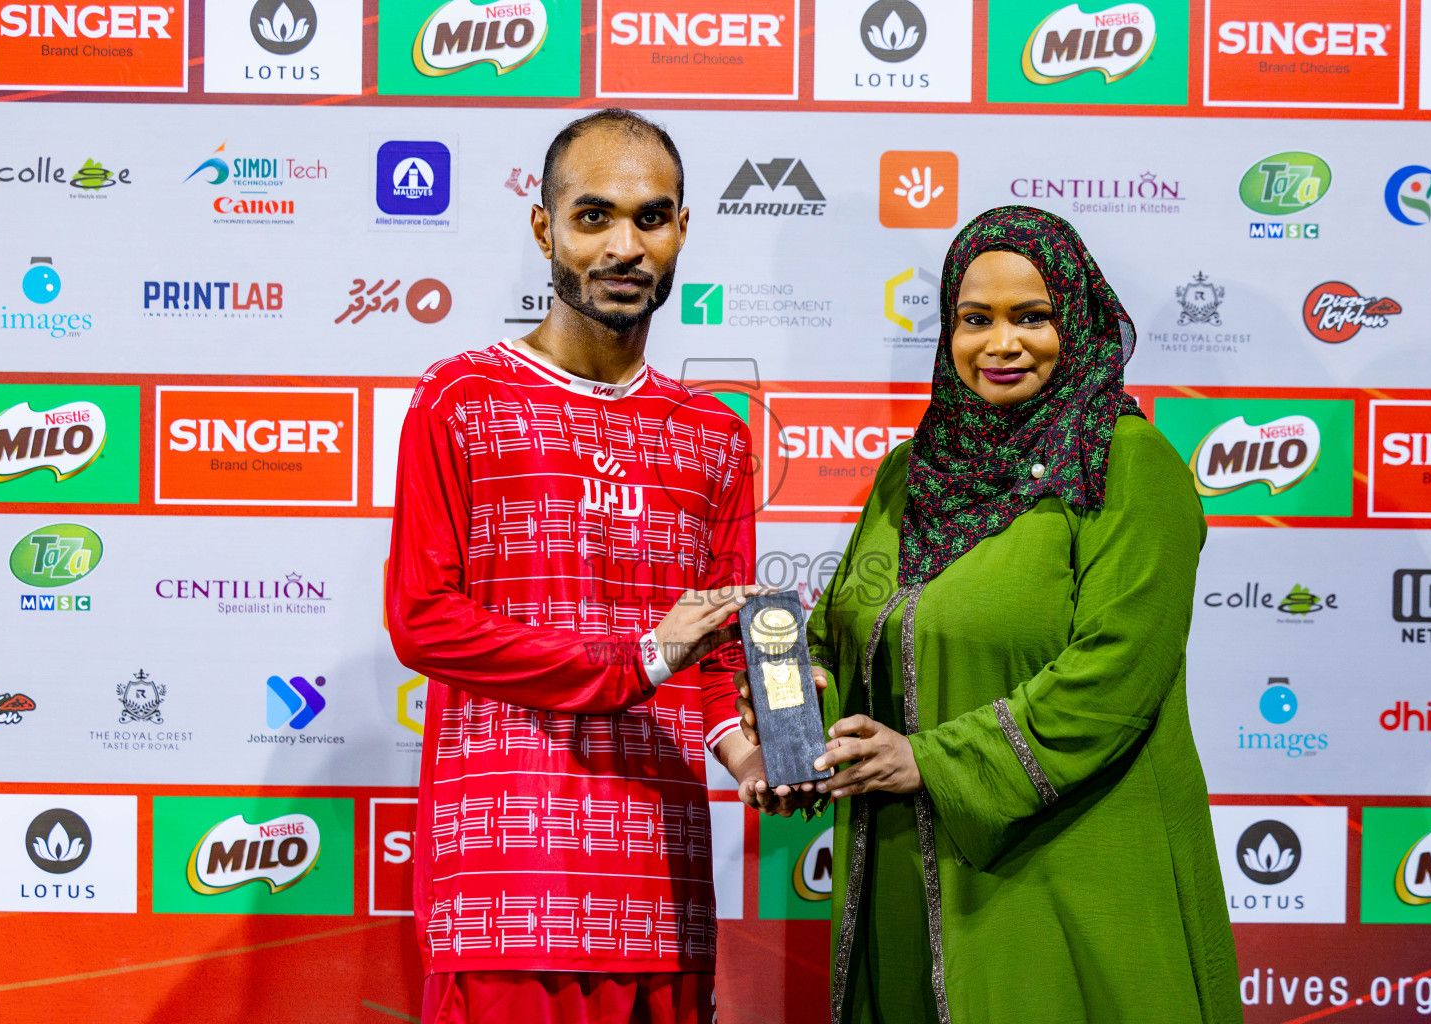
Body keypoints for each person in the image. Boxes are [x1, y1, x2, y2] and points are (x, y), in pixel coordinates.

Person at [737, 206, 1242, 1022]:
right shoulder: (913, 473)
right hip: (904, 867)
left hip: (1065, 871)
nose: (1000, 343)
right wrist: (791, 727)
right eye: (975, 319)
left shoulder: (1126, 463)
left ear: (1075, 322)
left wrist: (930, 761)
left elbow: (1114, 672)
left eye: (1031, 317)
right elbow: (842, 633)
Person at [386, 109, 783, 1024]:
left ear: (682, 228)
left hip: (662, 892)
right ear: (545, 229)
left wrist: (755, 754)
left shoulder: (714, 435)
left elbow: (719, 658)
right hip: (506, 895)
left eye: (651, 218)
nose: (624, 246)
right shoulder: (461, 397)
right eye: (593, 216)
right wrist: (632, 662)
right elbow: (424, 619)